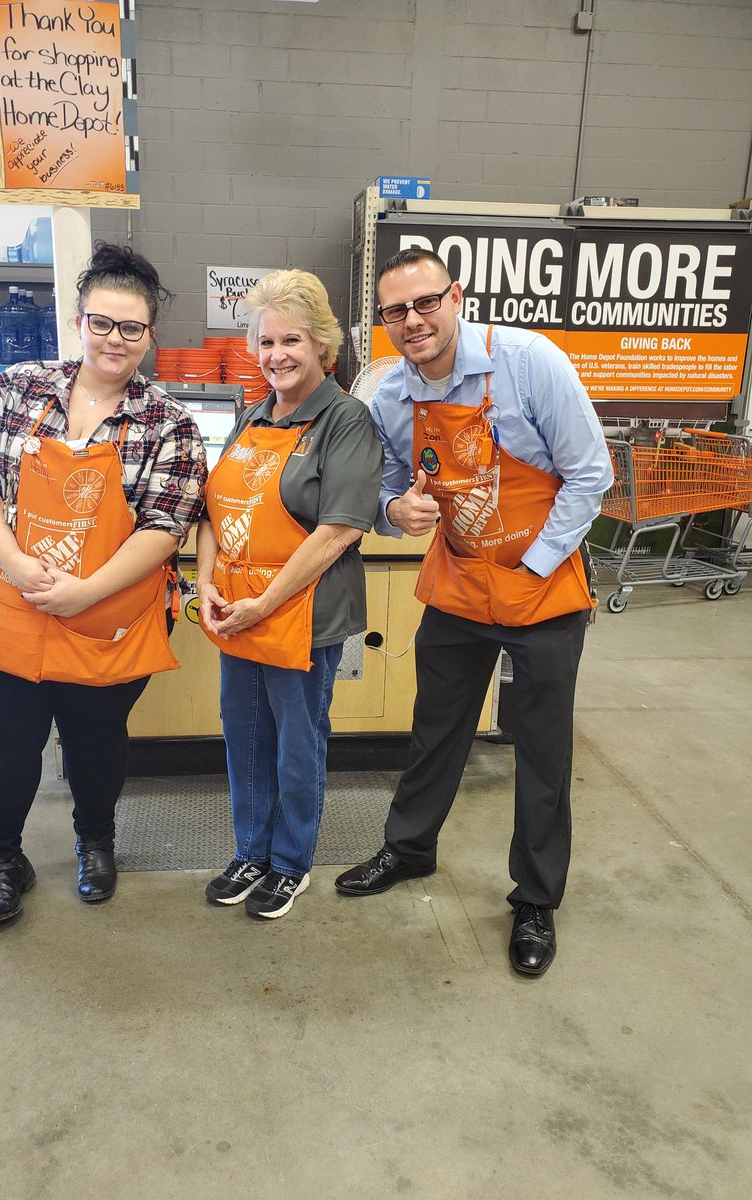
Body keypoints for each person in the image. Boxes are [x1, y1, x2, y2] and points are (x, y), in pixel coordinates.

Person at [334, 248, 613, 975]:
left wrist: (539, 560)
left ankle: (535, 899)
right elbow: (387, 486)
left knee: (542, 750)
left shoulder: (528, 361)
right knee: (436, 729)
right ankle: (409, 848)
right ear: (384, 321)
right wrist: (396, 508)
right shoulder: (389, 394)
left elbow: (590, 473)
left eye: (426, 302)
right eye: (396, 311)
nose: (414, 321)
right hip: (458, 584)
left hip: (541, 584)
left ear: (456, 295)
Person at [0, 242, 208, 930]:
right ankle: (2, 863)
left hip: (104, 621)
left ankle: (97, 842)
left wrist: (84, 590)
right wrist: (10, 561)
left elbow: (166, 524)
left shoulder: (170, 425)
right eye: (101, 322)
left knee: (96, 745)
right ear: (78, 320)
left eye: (131, 327)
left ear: (150, 334)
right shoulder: (18, 387)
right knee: (1, 747)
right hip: (3, 609)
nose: (114, 339)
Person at [196, 269, 383, 919]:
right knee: (243, 737)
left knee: (297, 742)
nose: (276, 354)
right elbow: (216, 511)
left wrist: (264, 602)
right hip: (238, 611)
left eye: (291, 340)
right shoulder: (251, 417)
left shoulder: (344, 420)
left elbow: (337, 531)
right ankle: (250, 850)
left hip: (302, 615)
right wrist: (207, 585)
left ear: (322, 347)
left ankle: (289, 862)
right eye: (266, 341)